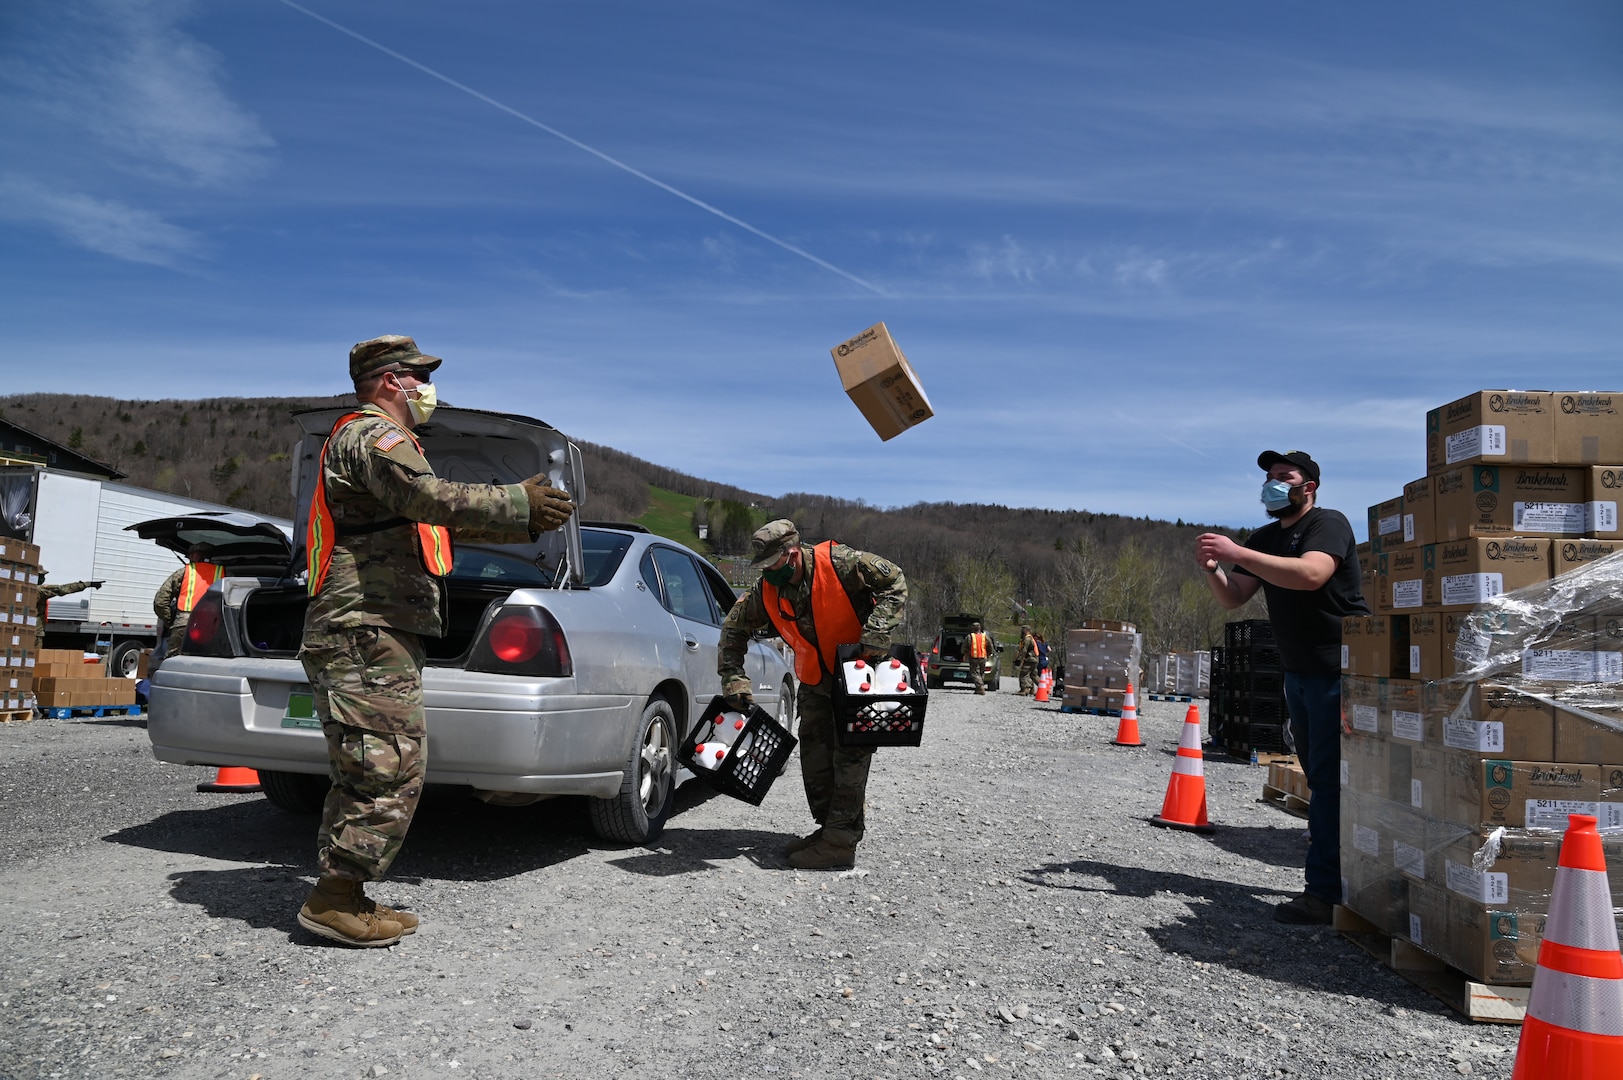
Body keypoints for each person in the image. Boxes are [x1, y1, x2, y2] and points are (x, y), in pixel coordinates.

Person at [297, 334, 576, 948]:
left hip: (375, 625)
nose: (428, 389)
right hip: (362, 625)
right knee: (387, 764)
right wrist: (515, 501)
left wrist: (522, 517)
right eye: (419, 376)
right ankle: (332, 900)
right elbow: (428, 497)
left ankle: (350, 892)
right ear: (392, 381)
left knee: (374, 762)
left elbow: (425, 518)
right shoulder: (374, 435)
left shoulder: (377, 441)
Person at [1195, 450, 1368, 925]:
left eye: (1283, 477)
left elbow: (1313, 575)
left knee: (1333, 784)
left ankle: (1325, 893)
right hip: (1301, 674)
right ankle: (1340, 881)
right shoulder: (1267, 537)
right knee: (1319, 779)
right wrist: (1214, 567)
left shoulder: (1327, 524)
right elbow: (1234, 598)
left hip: (1342, 673)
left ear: (1308, 486)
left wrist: (1236, 553)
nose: (1273, 485)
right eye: (1268, 478)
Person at [718, 519, 906, 871]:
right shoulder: (766, 590)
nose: (768, 573)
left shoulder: (842, 563)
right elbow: (734, 626)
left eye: (773, 564)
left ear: (792, 554)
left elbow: (895, 581)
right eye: (763, 567)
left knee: (850, 756)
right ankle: (828, 829)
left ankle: (840, 844)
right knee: (816, 756)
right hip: (815, 681)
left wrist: (876, 633)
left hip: (858, 672)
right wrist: (733, 677)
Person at [152, 544, 221, 662]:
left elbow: (160, 602)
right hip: (211, 626)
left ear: (193, 556)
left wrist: (170, 621)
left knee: (173, 661)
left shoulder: (183, 572)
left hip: (183, 623)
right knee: (208, 661)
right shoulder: (222, 572)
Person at [34, 572, 103, 651]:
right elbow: (64, 589)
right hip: (35, 631)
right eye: (42, 576)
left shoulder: (27, 590)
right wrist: (87, 584)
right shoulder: (40, 589)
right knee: (34, 656)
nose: (43, 579)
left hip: (30, 628)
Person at [965, 621, 993, 695]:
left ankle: (980, 687)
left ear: (973, 629)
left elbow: (965, 647)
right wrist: (989, 654)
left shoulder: (970, 636)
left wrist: (965, 654)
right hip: (983, 657)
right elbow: (990, 646)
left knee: (974, 673)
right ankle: (978, 689)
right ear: (980, 628)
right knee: (981, 673)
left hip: (974, 657)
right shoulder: (985, 636)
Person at [1015, 626, 1039, 696]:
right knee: (1033, 675)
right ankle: (1042, 688)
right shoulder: (1031, 638)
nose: (1021, 632)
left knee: (1023, 674)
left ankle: (1025, 689)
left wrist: (1019, 659)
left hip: (1030, 659)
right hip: (1035, 659)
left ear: (1026, 630)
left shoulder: (1027, 639)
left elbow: (1024, 650)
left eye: (1022, 630)